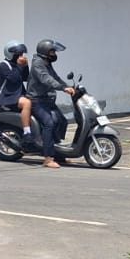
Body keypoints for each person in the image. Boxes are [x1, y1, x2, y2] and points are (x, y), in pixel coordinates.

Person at [27, 38, 75, 169]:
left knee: (62, 121)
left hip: (47, 100)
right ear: (45, 52)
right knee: (49, 123)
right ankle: (48, 158)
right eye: (53, 52)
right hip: (37, 100)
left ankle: (59, 154)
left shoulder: (47, 62)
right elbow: (46, 79)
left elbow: (56, 77)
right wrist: (62, 88)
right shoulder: (38, 63)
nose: (55, 54)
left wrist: (68, 86)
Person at [0, 42, 34, 139]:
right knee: (27, 103)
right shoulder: (3, 65)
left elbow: (25, 78)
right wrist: (20, 65)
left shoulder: (16, 64)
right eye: (18, 54)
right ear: (11, 54)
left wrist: (25, 66)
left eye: (21, 54)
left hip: (18, 95)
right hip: (9, 97)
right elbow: (14, 79)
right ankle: (27, 132)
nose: (20, 56)